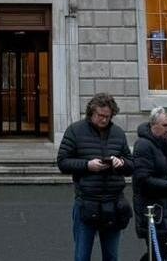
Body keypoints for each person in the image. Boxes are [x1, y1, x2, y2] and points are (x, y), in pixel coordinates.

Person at [56, 92, 132, 261]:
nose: (104, 120)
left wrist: (121, 163)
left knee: (112, 256)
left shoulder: (118, 133)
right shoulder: (75, 131)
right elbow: (62, 162)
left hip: (113, 203)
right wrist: (87, 165)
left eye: (107, 116)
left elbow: (131, 165)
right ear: (91, 112)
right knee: (82, 256)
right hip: (86, 202)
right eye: (100, 115)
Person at [132, 106, 167, 258]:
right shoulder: (143, 145)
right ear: (154, 125)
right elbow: (143, 179)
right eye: (165, 125)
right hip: (154, 207)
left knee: (165, 249)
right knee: (156, 250)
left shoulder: (165, 142)